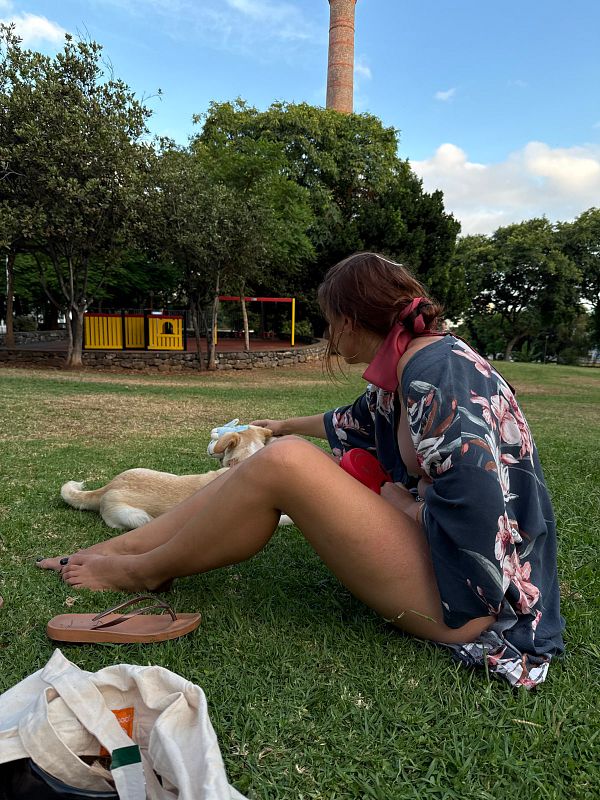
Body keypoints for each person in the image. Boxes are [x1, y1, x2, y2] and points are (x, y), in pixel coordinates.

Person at [37, 253, 564, 687]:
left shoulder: (435, 373)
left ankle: (144, 569)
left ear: (350, 319)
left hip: (474, 602)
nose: (330, 335)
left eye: (330, 321)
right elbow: (353, 421)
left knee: (285, 462)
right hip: (456, 576)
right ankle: (128, 549)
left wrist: (400, 503)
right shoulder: (414, 365)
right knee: (277, 455)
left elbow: (480, 514)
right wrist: (281, 424)